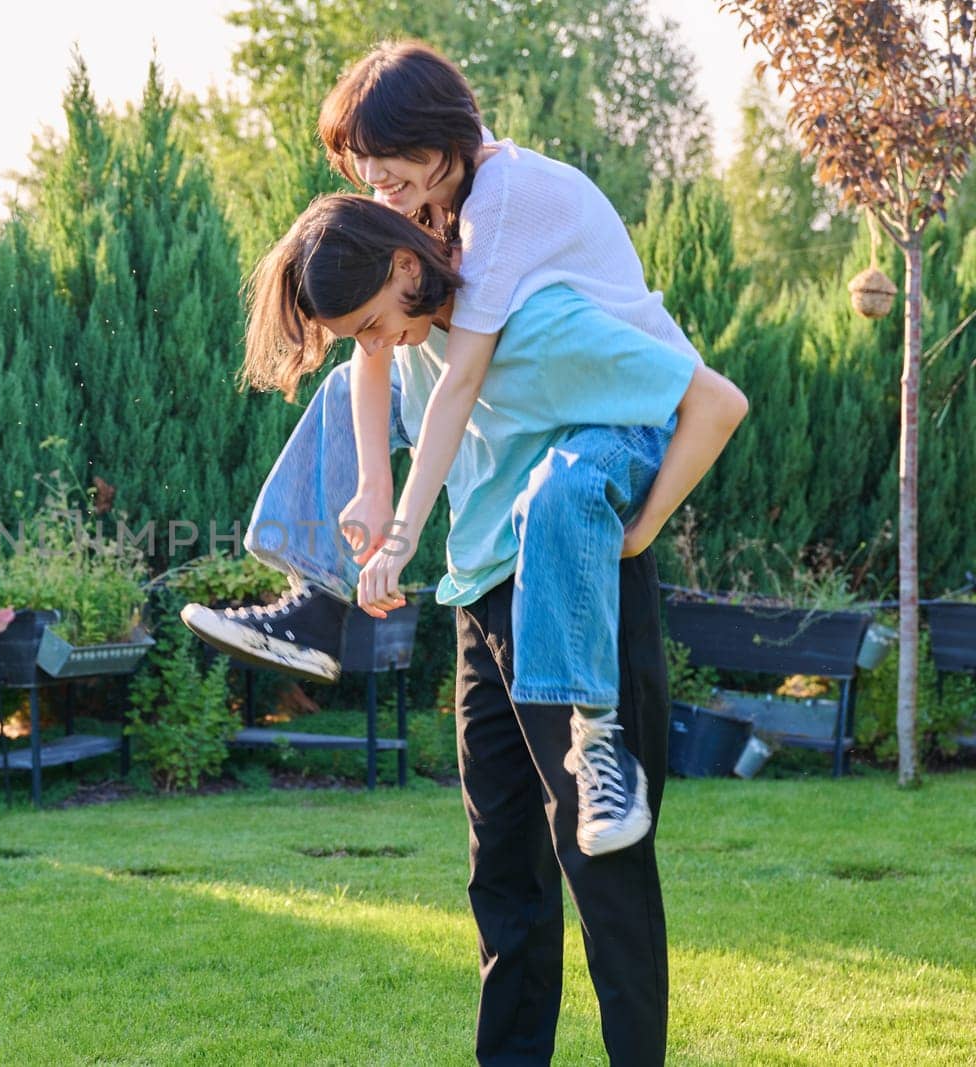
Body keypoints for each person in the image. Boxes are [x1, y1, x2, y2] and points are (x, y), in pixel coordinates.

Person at [186, 193, 747, 1065]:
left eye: (372, 322)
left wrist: (637, 531)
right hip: (479, 604)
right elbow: (371, 372)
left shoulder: (541, 322)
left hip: (574, 603)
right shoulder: (417, 339)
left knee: (602, 870)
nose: (376, 344)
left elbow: (713, 403)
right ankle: (315, 599)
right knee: (503, 878)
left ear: (407, 268)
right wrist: (374, 494)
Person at [185, 39, 715, 855]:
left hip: (617, 406)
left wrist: (402, 531)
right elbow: (373, 352)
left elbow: (458, 386)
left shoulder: (503, 199)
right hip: (542, 392)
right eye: (362, 168)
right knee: (342, 381)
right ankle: (315, 604)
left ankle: (593, 741)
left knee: (541, 481)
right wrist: (369, 486)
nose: (374, 184)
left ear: (437, 146)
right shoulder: (422, 205)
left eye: (385, 165)